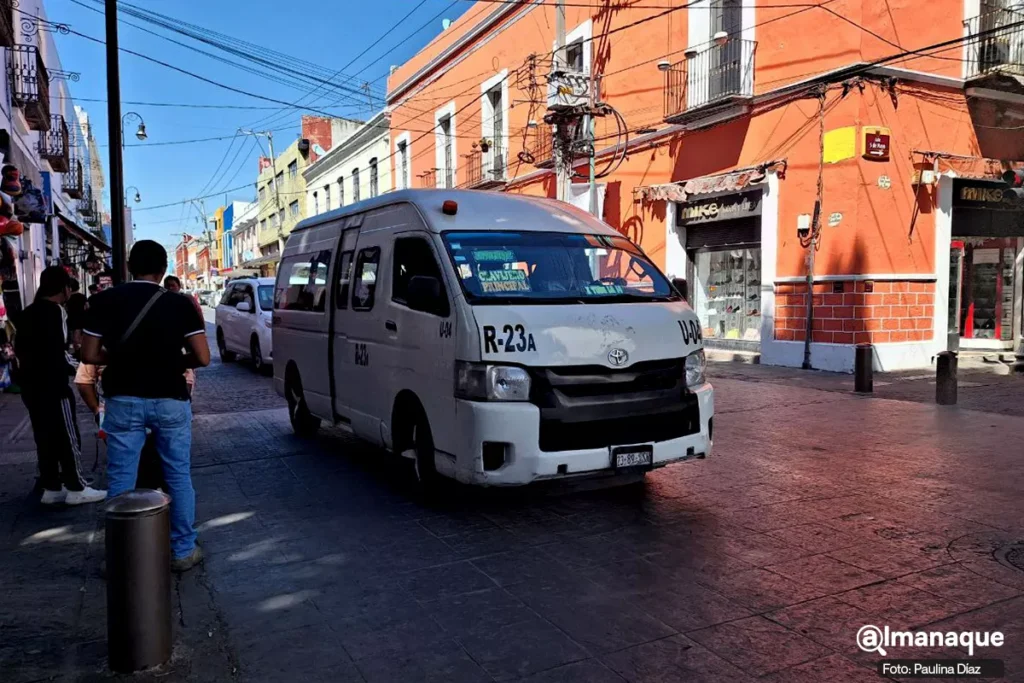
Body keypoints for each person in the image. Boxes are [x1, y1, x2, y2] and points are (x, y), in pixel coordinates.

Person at [82, 241, 210, 572]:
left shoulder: (104, 301)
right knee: (177, 474)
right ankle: (182, 550)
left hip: (122, 398)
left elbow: (89, 354)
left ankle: (122, 557)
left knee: (121, 477)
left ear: (129, 266)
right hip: (170, 397)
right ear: (164, 268)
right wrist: (170, 360)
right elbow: (203, 357)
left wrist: (122, 358)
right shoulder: (179, 304)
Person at [14, 266, 106, 505]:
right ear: (64, 288)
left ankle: (52, 485)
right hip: (53, 385)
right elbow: (58, 351)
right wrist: (84, 366)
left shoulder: (27, 313)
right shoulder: (56, 312)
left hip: (30, 386)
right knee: (67, 436)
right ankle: (76, 486)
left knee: (44, 437)